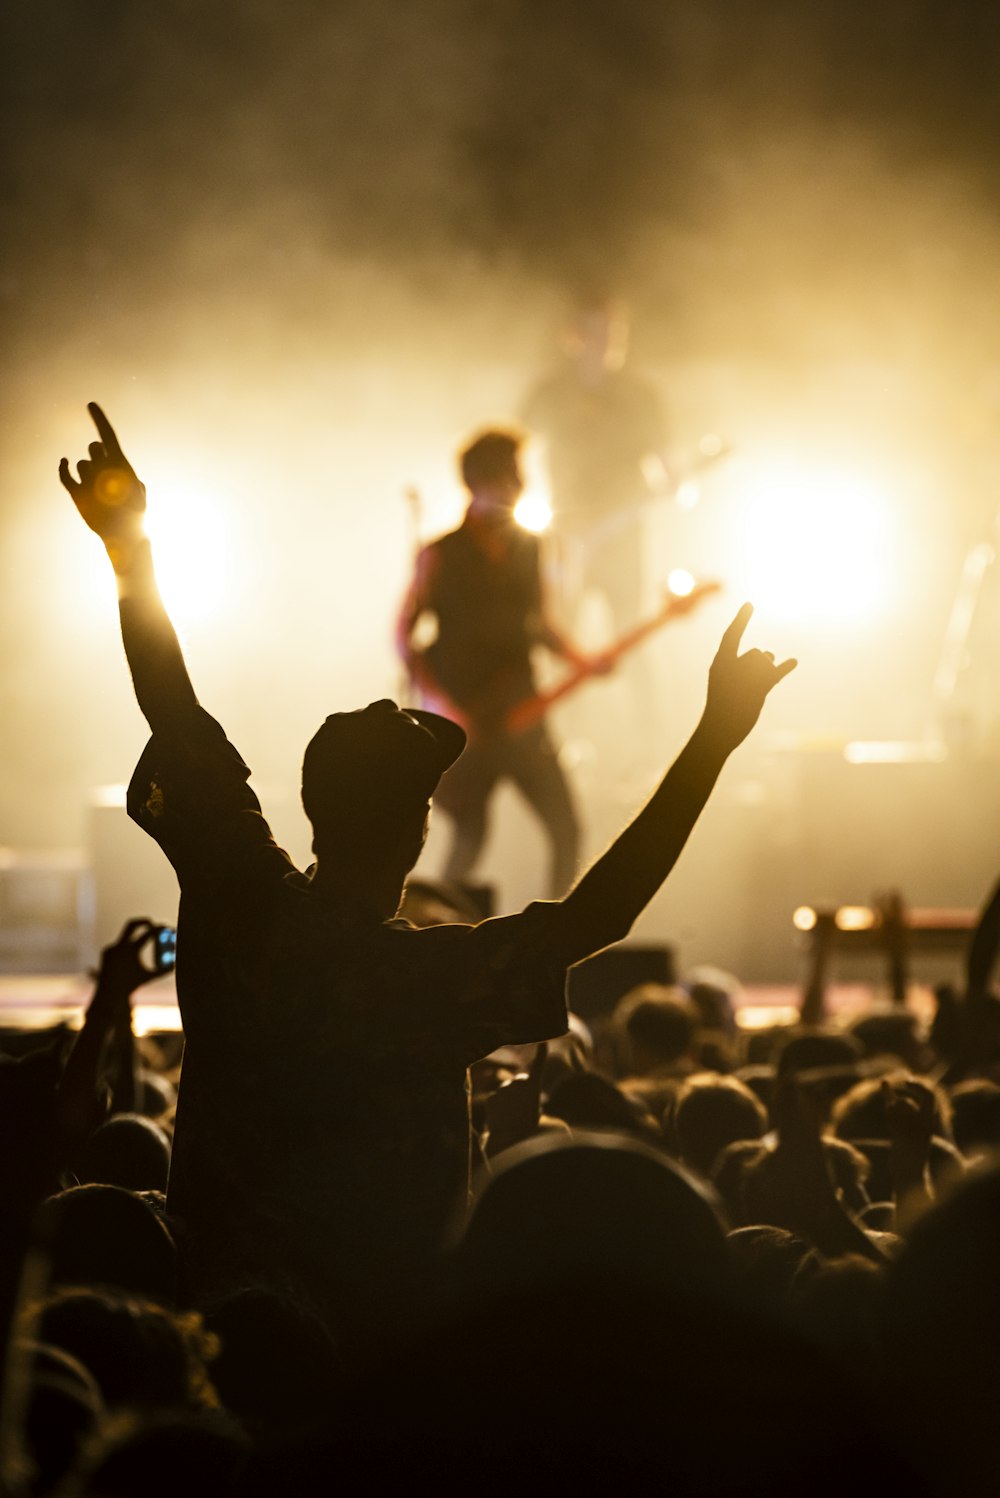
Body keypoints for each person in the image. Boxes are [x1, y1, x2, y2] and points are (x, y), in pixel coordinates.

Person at [59, 402, 794, 1338]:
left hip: (214, 1312)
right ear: (416, 828)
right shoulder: (426, 984)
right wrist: (711, 744)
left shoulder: (236, 896)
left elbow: (173, 707)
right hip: (377, 1342)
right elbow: (601, 912)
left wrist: (130, 554)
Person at [396, 427, 596, 898]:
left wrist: (581, 659)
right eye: (506, 476)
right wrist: (443, 706)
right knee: (469, 836)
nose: (515, 486)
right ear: (479, 481)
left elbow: (541, 623)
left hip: (522, 711)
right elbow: (405, 636)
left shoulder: (531, 547)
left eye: (517, 476)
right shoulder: (439, 553)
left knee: (566, 828)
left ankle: (557, 937)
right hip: (467, 719)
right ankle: (433, 932)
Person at [522, 292, 669, 633]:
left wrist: (676, 484)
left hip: (624, 535)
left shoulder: (641, 396)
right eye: (595, 332)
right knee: (559, 633)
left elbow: (668, 464)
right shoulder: (550, 392)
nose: (605, 342)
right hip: (565, 534)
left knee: (630, 637)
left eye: (613, 333)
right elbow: (515, 449)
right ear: (572, 337)